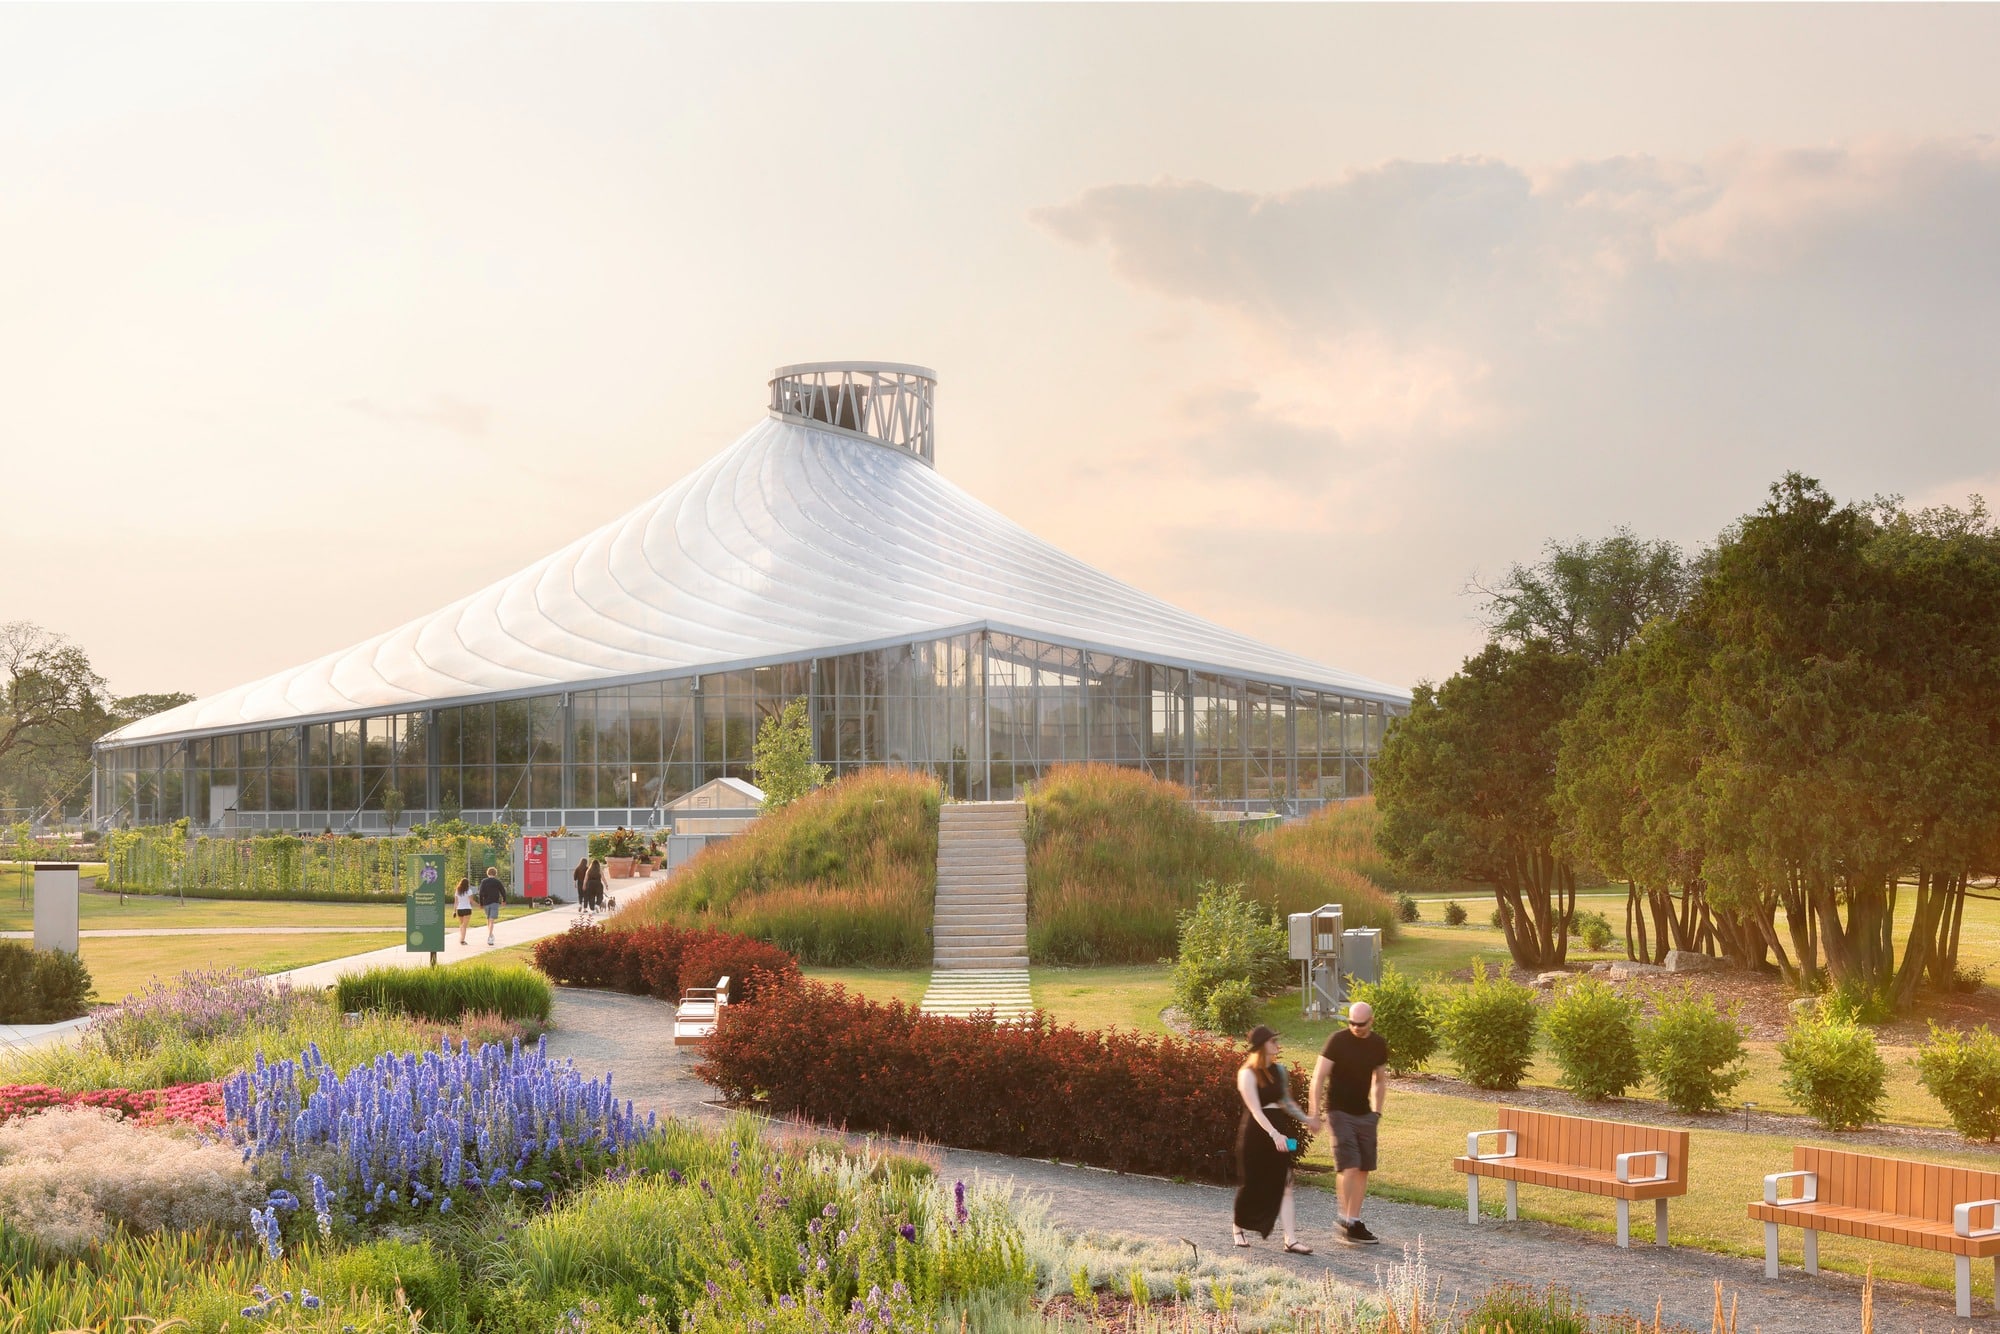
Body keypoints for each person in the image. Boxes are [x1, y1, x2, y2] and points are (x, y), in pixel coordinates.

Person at [1311, 999, 1390, 1246]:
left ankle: (1353, 1221)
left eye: (1361, 1024)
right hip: (1338, 1111)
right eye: (1352, 1023)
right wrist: (1314, 1113)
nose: (1356, 1027)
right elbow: (1318, 1077)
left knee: (1364, 1166)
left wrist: (1377, 1112)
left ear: (1371, 1021)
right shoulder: (1337, 1041)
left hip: (1365, 1113)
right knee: (1350, 1164)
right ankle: (1344, 1219)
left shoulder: (1378, 1044)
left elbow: (1379, 1080)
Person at [1232, 1024, 1313, 1253]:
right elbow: (1255, 1109)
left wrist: (1307, 1119)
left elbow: (1286, 1102)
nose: (1277, 1044)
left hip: (1278, 1128)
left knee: (1285, 1182)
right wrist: (1274, 1134)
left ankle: (1290, 1239)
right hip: (1257, 1132)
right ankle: (1238, 1227)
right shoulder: (1247, 1073)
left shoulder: (1280, 1070)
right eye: (1272, 1041)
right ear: (1261, 1046)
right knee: (1252, 1183)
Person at [477, 865, 507, 945]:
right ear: (495, 873)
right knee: (491, 920)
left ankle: (490, 934)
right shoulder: (497, 882)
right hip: (494, 902)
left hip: (486, 903)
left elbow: (480, 893)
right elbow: (503, 891)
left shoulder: (484, 881)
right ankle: (490, 936)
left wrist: (481, 903)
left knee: (489, 919)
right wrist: (504, 900)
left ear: (488, 873)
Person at [453, 876, 474, 946]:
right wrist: (479, 905)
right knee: (464, 925)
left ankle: (461, 938)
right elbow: (471, 901)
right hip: (467, 909)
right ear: (468, 884)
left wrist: (454, 911)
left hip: (459, 909)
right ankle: (462, 940)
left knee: (462, 924)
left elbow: (456, 902)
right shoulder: (469, 891)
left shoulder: (457, 891)